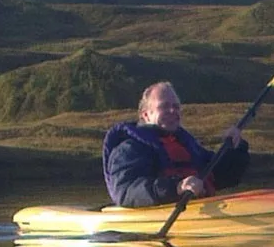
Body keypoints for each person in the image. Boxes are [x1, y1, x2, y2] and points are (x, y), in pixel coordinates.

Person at [102, 81, 251, 208]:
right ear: (146, 115)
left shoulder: (187, 145)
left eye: (176, 106)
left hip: (197, 210)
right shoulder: (130, 149)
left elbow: (224, 176)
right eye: (164, 107)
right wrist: (177, 187)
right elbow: (125, 192)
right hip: (158, 217)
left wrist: (235, 148)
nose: (173, 111)